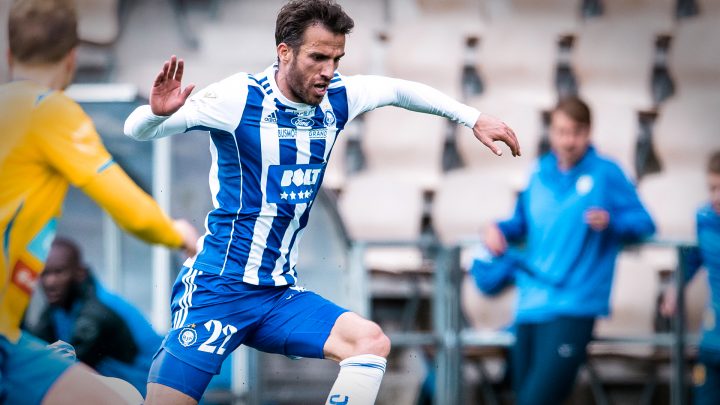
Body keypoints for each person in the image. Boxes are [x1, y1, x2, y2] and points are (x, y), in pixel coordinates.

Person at [123, 1, 520, 403]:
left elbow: (399, 90)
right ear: (284, 52)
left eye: (336, 58)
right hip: (217, 289)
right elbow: (136, 130)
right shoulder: (238, 97)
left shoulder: (339, 97)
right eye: (318, 57)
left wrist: (471, 118)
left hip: (276, 295)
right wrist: (155, 116)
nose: (329, 70)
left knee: (369, 342)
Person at [0, 0, 199, 403]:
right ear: (72, 59)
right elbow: (130, 209)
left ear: (8, 55)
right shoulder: (51, 112)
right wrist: (177, 233)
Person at [482, 96, 656, 405]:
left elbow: (644, 223)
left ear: (589, 132)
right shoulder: (538, 172)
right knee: (523, 396)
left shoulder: (606, 173)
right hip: (531, 303)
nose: (568, 140)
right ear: (551, 132)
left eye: (575, 132)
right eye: (561, 131)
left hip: (575, 304)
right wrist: (496, 228)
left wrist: (612, 221)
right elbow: (521, 222)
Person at [24, 237, 163, 397]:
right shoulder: (61, 306)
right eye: (44, 273)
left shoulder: (96, 312)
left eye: (59, 272)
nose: (50, 282)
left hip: (149, 387)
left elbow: (64, 367)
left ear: (80, 273)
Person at [661, 151, 720, 405]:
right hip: (713, 339)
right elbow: (694, 257)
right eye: (712, 187)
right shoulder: (705, 218)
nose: (716, 197)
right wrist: (675, 287)